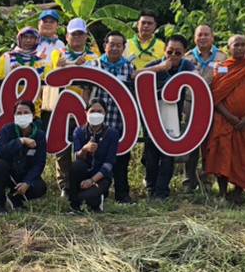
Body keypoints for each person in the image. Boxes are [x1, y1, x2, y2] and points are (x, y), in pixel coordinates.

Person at [204, 34, 245, 204]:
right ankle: (222, 193)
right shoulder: (221, 68)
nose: (239, 48)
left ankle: (238, 192)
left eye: (242, 45)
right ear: (228, 48)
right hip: (224, 120)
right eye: (235, 45)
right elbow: (215, 96)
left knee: (244, 156)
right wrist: (229, 116)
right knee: (221, 154)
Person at [44, 17, 97, 193]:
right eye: (73, 34)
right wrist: (72, 65)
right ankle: (64, 185)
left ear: (85, 36)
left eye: (80, 34)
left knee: (86, 146)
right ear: (66, 36)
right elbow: (53, 75)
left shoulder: (93, 56)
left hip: (85, 107)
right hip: (62, 108)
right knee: (63, 147)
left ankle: (83, 182)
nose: (77, 37)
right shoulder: (58, 54)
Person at [141, 35, 193, 200]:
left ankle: (162, 192)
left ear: (184, 53)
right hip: (152, 118)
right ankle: (150, 187)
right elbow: (136, 75)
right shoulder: (156, 65)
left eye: (178, 53)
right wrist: (160, 68)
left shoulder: (186, 66)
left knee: (168, 156)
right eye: (169, 52)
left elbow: (198, 76)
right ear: (164, 51)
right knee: (150, 155)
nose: (173, 56)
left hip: (173, 120)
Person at [92, 32, 136, 203]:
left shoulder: (129, 68)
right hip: (97, 122)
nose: (115, 48)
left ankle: (122, 193)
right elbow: (87, 91)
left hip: (119, 121)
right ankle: (99, 192)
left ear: (124, 48)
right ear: (105, 46)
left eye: (119, 45)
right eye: (112, 44)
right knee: (96, 157)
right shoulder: (94, 65)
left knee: (121, 159)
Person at [0, 100, 49, 214]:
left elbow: (39, 163)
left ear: (33, 115)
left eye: (26, 113)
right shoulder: (7, 130)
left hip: (24, 174)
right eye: (19, 113)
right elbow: (0, 152)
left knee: (40, 187)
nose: (22, 116)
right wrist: (20, 141)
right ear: (14, 115)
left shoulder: (39, 135)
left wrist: (27, 182)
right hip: (8, 173)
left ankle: (15, 199)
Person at [181, 24, 220, 192]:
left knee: (210, 144)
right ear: (195, 38)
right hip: (190, 105)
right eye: (199, 35)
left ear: (212, 37)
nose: (202, 38)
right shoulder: (187, 57)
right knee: (190, 144)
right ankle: (189, 181)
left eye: (206, 34)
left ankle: (207, 182)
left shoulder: (222, 57)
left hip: (214, 105)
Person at [67, 100, 120, 213]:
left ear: (105, 113)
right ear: (86, 113)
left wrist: (92, 180)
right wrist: (85, 149)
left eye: (99, 111)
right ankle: (74, 205)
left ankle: (94, 199)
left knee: (87, 198)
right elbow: (76, 157)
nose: (96, 114)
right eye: (92, 111)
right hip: (83, 174)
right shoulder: (79, 131)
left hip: (100, 177)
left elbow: (109, 164)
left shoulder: (112, 134)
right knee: (76, 166)